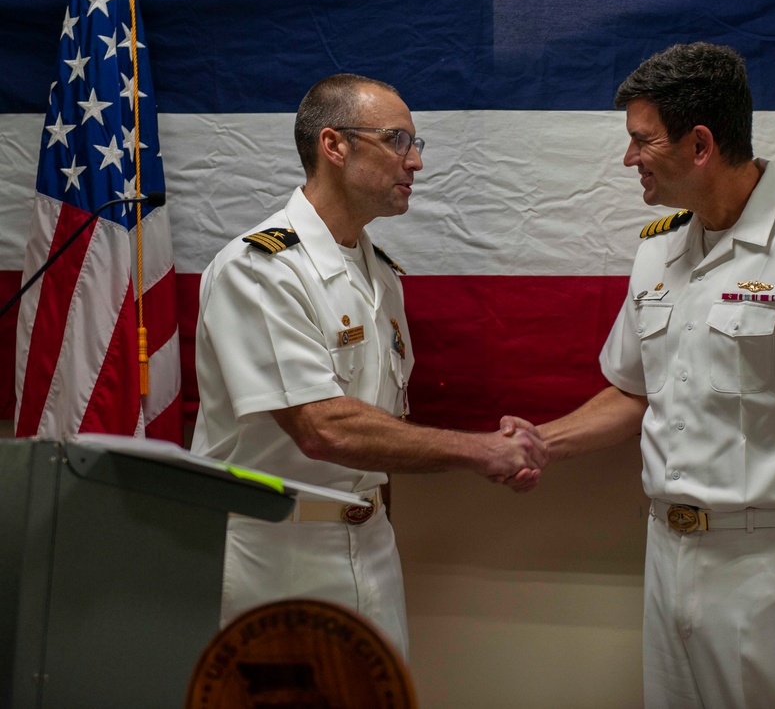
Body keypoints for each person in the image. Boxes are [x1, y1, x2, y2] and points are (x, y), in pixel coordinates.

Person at [511, 43, 775, 707]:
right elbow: (633, 392)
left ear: (699, 145)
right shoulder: (658, 248)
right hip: (668, 553)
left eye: (641, 141)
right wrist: (540, 443)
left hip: (773, 565)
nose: (628, 158)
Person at [191, 73, 547, 657]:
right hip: (278, 558)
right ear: (334, 146)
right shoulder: (261, 269)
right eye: (398, 141)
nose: (416, 163)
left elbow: (380, 424)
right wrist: (482, 451)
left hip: (371, 544)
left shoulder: (377, 272)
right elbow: (323, 427)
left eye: (416, 145)